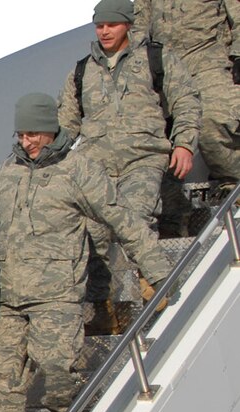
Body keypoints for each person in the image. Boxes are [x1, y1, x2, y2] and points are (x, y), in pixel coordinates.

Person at [0, 93, 171, 412]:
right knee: (2, 379)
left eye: (34, 134)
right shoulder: (9, 171)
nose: (27, 143)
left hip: (57, 294)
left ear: (52, 130)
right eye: (21, 135)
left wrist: (156, 270)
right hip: (10, 296)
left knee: (59, 366)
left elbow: (120, 218)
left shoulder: (77, 170)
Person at [57, 0, 201, 333]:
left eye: (111, 24)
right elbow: (65, 125)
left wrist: (183, 144)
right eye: (99, 25)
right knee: (91, 235)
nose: (104, 31)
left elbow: (186, 100)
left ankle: (150, 280)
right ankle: (101, 308)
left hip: (143, 157)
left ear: (127, 25)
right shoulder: (82, 70)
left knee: (135, 215)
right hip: (98, 168)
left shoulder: (155, 58)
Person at [134, 0, 239, 191]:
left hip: (209, 62)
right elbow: (138, 27)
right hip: (168, 69)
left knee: (210, 120)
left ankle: (233, 180)